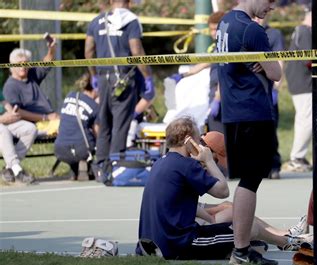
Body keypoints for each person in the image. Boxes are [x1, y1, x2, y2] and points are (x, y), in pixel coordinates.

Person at [136, 118, 305, 261]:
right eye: (198, 138)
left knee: (257, 246)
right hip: (179, 244)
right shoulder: (186, 165)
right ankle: (287, 242)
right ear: (189, 140)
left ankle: (284, 240)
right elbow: (223, 191)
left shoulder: (160, 163)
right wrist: (209, 160)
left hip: (156, 241)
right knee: (247, 229)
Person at [216, 0, 282, 264]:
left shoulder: (224, 23)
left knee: (249, 180)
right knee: (250, 181)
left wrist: (258, 61)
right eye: (270, 1)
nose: (272, 7)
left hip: (233, 112)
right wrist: (265, 63)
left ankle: (241, 249)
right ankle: (241, 251)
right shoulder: (251, 30)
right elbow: (276, 72)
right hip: (251, 112)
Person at [85, 0, 155, 179]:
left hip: (103, 78)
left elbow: (88, 51)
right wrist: (147, 76)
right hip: (123, 78)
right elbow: (136, 51)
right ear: (129, 2)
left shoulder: (97, 20)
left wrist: (93, 75)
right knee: (120, 124)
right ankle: (115, 167)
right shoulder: (131, 21)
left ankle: (100, 166)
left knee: (104, 122)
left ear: (110, 1)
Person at [169, 11, 226, 133]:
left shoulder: (228, 48)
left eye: (216, 29)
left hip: (223, 99)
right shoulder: (216, 48)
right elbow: (204, 63)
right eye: (211, 29)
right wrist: (182, 75)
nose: (213, 33)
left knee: (219, 139)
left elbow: (226, 76)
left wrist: (217, 99)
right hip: (214, 96)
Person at [254, 16, 285, 179]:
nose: (258, 19)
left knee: (270, 132)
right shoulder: (247, 33)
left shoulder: (273, 34)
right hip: (249, 92)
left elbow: (280, 61)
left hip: (267, 91)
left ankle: (274, 166)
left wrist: (276, 88)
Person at [54, 73, 99, 181]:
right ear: (96, 89)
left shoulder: (69, 96)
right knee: (91, 137)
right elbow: (99, 134)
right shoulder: (94, 106)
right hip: (82, 150)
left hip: (59, 149)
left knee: (75, 132)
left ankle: (75, 169)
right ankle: (84, 165)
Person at [284, 6, 313, 172]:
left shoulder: (302, 30)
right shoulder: (304, 30)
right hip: (302, 82)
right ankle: (296, 157)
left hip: (301, 80)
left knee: (305, 119)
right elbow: (308, 60)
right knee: (306, 120)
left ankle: (299, 156)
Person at [3, 46, 60, 127]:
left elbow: (46, 64)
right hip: (34, 124)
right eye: (19, 63)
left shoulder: (31, 74)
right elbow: (17, 112)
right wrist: (45, 117)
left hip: (50, 118)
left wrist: (52, 49)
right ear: (12, 65)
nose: (23, 66)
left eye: (26, 63)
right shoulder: (10, 86)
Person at [0, 88, 37, 184]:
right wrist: (2, 119)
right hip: (1, 125)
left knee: (30, 128)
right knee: (3, 130)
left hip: (3, 122)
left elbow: (4, 102)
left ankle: (10, 168)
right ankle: (17, 171)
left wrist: (12, 114)